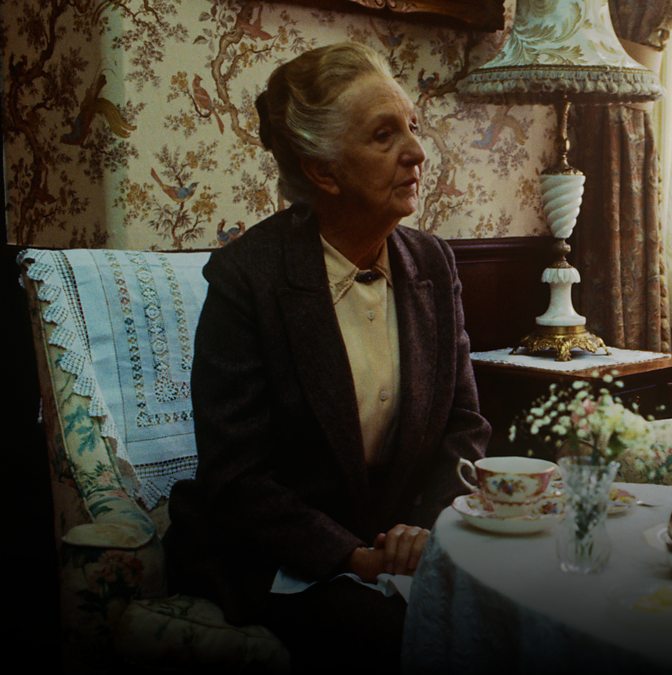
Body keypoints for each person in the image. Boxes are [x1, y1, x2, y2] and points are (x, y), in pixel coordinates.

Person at [165, 42, 490, 668]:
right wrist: (352, 557)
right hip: (280, 553)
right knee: (403, 636)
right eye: (384, 135)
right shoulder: (248, 278)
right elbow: (236, 476)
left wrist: (424, 529)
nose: (417, 152)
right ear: (324, 172)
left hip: (402, 543)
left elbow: (463, 423)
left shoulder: (432, 261)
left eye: (412, 127)